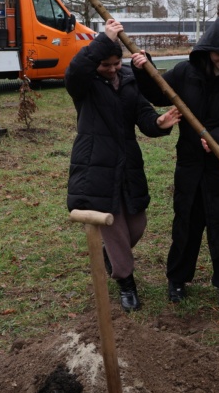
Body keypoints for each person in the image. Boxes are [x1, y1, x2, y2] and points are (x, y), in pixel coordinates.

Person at [131, 16, 219, 308]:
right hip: (192, 167)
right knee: (186, 226)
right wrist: (143, 69)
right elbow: (157, 92)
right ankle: (177, 279)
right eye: (218, 53)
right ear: (207, 48)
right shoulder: (186, 73)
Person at [65, 18, 181, 312]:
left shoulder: (128, 79)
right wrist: (103, 40)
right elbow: (75, 69)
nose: (113, 69)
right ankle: (126, 283)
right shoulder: (85, 83)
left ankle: (112, 254)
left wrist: (158, 122)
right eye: (107, 64)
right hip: (96, 162)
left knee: (136, 224)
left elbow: (142, 113)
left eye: (117, 63)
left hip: (128, 161)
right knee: (114, 226)